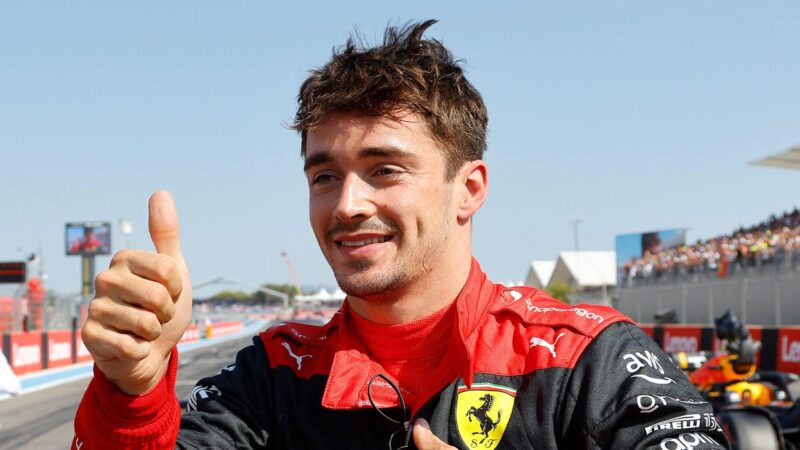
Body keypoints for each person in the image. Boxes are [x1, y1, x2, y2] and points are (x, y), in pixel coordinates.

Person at [72, 20, 729, 449]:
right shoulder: (271, 374)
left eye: (384, 170)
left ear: (469, 188)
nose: (348, 204)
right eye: (324, 176)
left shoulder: (589, 359)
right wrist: (131, 393)